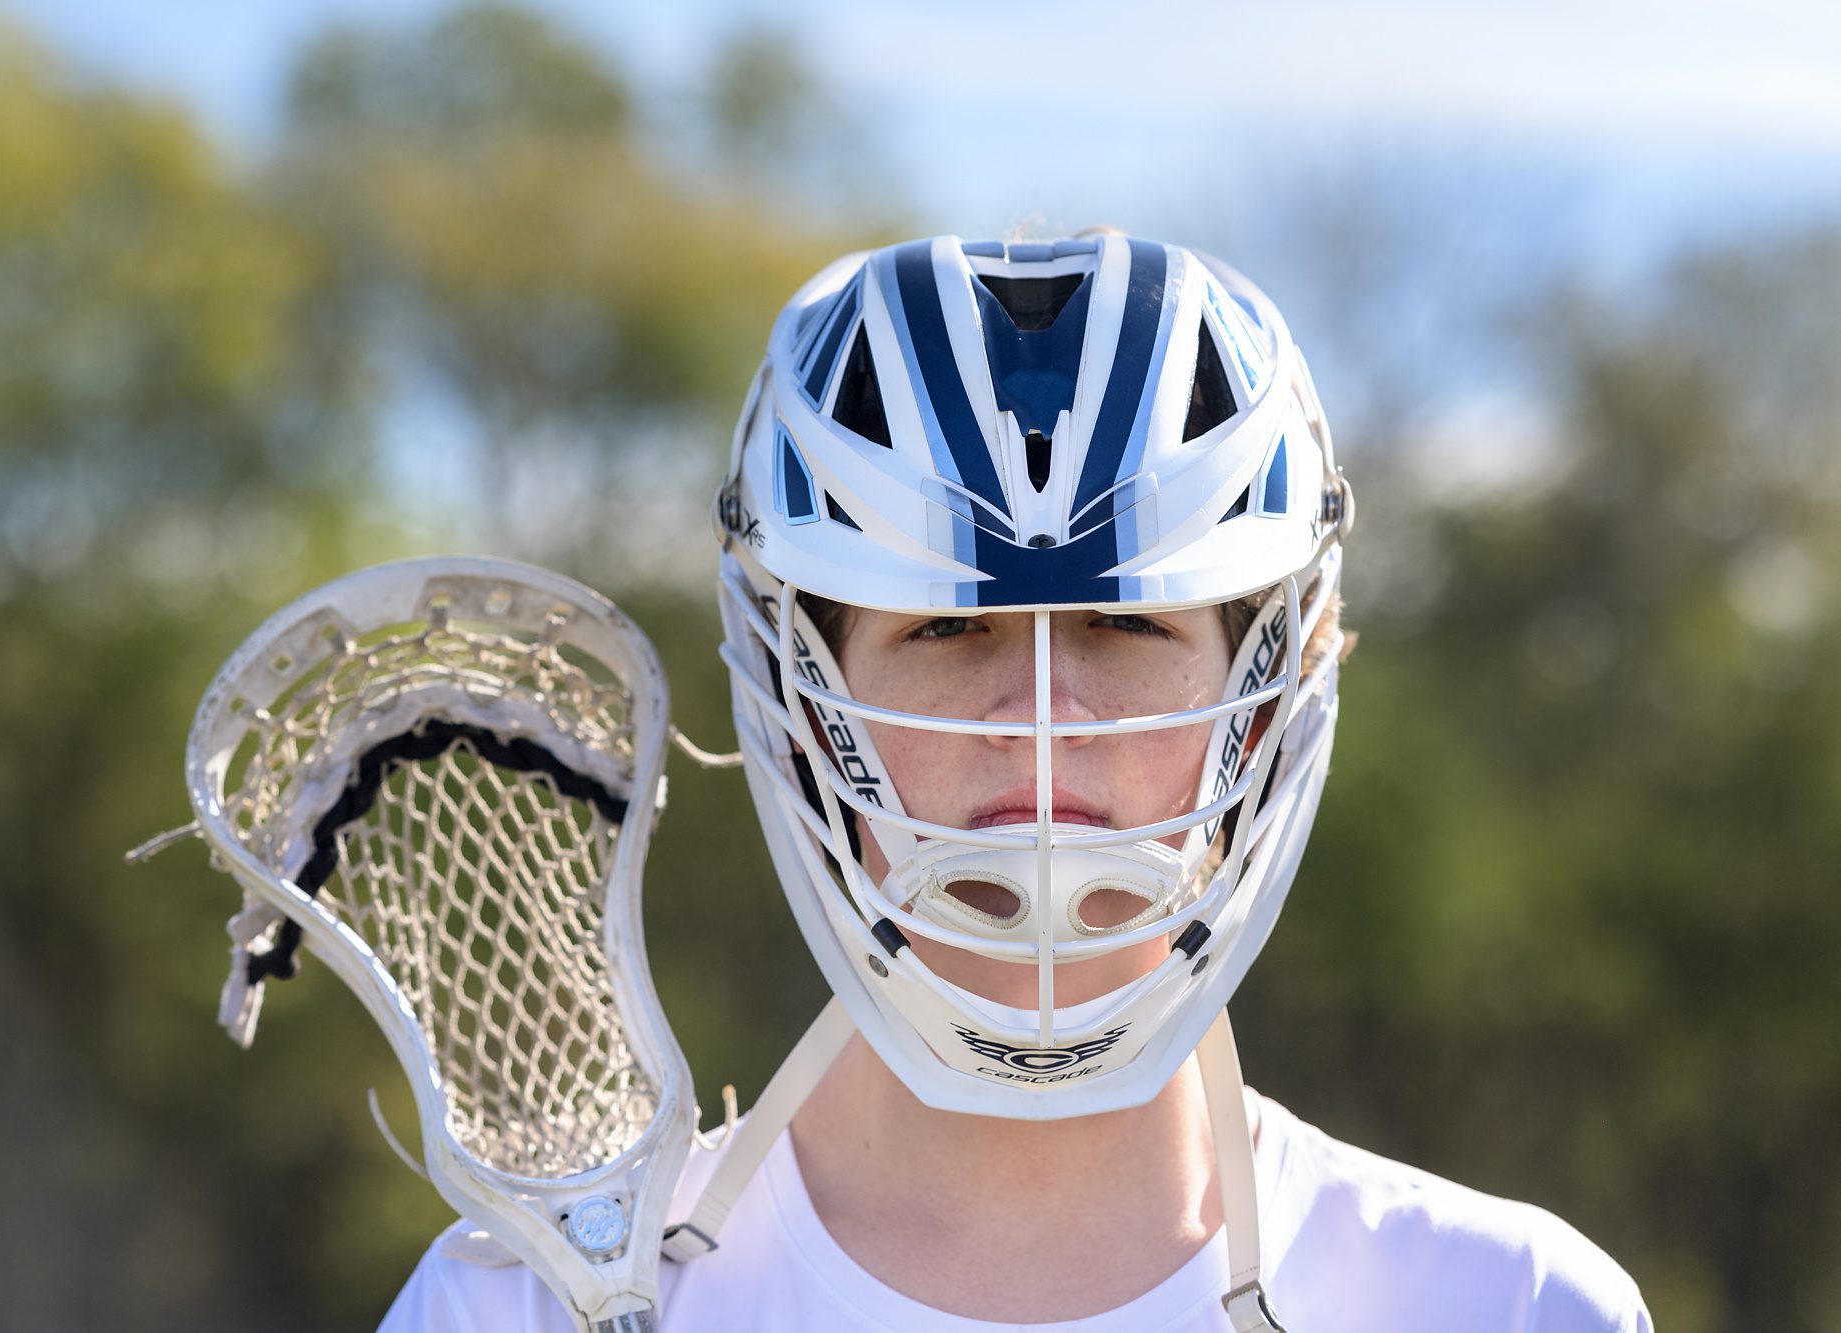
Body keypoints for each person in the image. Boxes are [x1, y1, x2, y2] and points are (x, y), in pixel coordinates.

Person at [382, 232, 1653, 1330]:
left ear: (1269, 689)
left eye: (1124, 625)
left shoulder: (1505, 1305)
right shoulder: (513, 1309)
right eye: (946, 630)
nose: (1040, 722)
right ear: (805, 702)